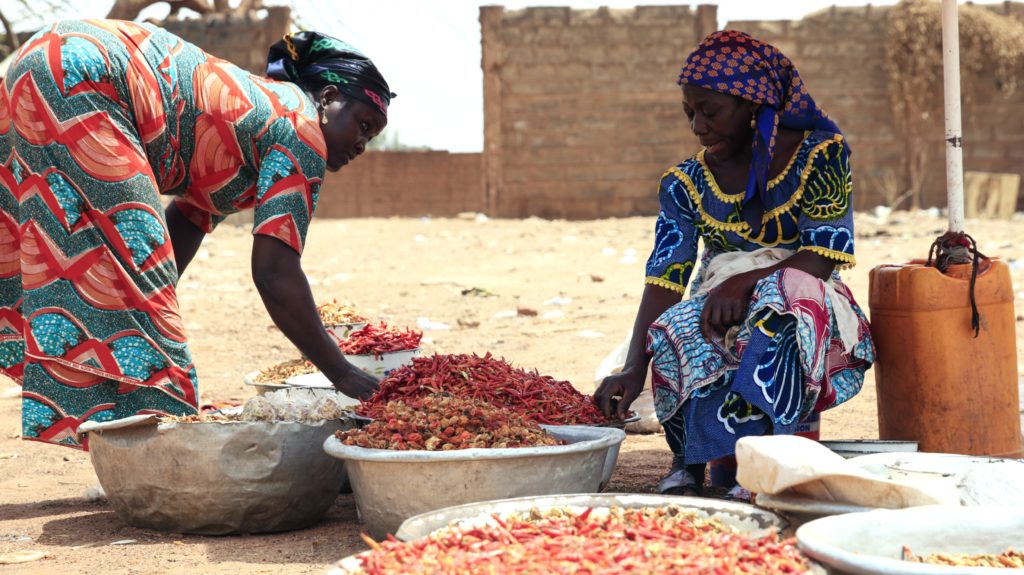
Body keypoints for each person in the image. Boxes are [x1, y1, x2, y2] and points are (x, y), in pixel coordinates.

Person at [0, 20, 392, 448]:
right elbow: (275, 272)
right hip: (89, 75)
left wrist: (149, 300)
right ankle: (161, 452)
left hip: (38, 64)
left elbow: (185, 226)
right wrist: (342, 373)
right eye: (364, 125)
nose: (363, 145)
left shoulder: (258, 122)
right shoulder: (302, 131)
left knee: (83, 256)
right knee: (125, 266)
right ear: (329, 98)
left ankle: (121, 437)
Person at [595, 30, 875, 498]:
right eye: (690, 113)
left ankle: (775, 455)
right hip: (720, 297)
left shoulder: (820, 155)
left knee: (781, 303)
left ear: (752, 106)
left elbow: (823, 254)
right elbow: (666, 276)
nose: (698, 127)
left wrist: (745, 282)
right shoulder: (684, 183)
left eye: (710, 111)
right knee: (673, 325)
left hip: (809, 300)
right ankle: (692, 463)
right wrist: (632, 367)